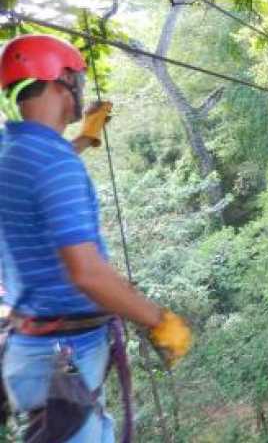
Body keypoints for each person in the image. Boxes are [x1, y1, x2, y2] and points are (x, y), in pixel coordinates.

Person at [0, 33, 192, 442]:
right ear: (61, 82)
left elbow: (41, 176)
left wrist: (86, 137)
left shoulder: (11, 149)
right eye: (77, 80)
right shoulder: (54, 164)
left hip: (32, 350)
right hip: (65, 357)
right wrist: (159, 320)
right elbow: (87, 274)